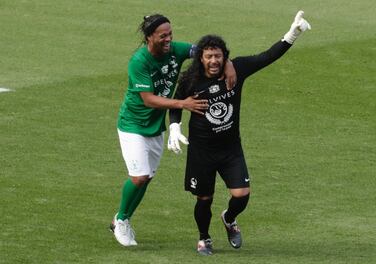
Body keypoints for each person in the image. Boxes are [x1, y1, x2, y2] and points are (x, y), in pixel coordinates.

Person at [168, 11, 311, 255]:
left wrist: (292, 34)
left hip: (230, 148)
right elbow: (177, 104)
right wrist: (174, 127)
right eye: (209, 56)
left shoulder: (238, 69)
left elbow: (267, 57)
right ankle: (204, 238)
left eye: (218, 56)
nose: (214, 61)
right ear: (200, 58)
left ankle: (229, 218)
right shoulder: (190, 80)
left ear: (225, 57)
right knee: (204, 199)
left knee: (242, 195)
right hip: (201, 151)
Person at [110, 14, 236, 247]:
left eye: (170, 34)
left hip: (156, 127)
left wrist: (227, 63)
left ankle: (121, 217)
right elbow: (147, 99)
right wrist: (183, 104)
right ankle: (121, 220)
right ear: (149, 38)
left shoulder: (175, 50)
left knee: (147, 178)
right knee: (139, 177)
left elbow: (205, 51)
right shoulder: (139, 61)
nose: (169, 39)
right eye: (163, 35)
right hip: (133, 125)